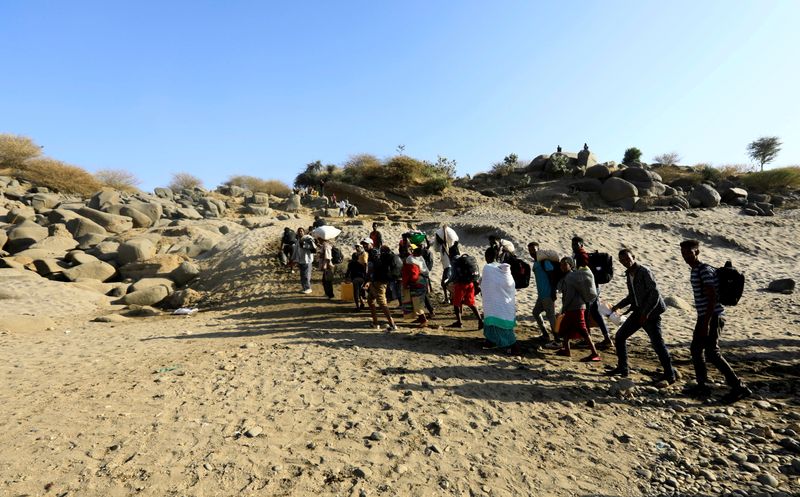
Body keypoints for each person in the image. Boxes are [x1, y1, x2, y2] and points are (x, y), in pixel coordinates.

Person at [680, 240, 751, 403]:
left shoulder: (704, 270)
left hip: (712, 316)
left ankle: (739, 387)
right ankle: (702, 386)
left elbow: (712, 297)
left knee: (712, 352)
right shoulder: (696, 270)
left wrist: (705, 322)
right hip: (705, 316)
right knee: (696, 349)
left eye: (689, 252)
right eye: (683, 253)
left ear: (697, 252)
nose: (685, 256)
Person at [606, 249, 676, 383]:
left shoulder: (644, 272)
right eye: (622, 260)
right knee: (620, 337)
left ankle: (670, 374)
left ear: (633, 257)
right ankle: (623, 368)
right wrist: (618, 306)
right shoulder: (629, 274)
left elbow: (654, 294)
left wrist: (646, 314)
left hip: (651, 314)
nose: (626, 262)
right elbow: (632, 296)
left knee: (658, 344)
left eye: (627, 258)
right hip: (638, 312)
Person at [556, 256, 601, 361]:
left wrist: (564, 308)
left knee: (583, 330)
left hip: (575, 308)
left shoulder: (570, 277)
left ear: (570, 265)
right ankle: (566, 350)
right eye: (561, 264)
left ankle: (595, 353)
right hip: (576, 307)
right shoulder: (572, 276)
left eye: (564, 264)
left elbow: (569, 295)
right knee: (566, 328)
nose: (562, 267)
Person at [572, 236, 613, 349]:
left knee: (586, 313)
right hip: (593, 287)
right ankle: (607, 338)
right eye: (573, 244)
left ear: (581, 245)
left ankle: (587, 338)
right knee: (595, 312)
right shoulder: (580, 255)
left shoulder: (582, 256)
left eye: (576, 244)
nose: (574, 246)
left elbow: (584, 273)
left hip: (589, 289)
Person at [481, 246, 518, 352]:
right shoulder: (501, 269)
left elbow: (486, 284)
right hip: (505, 301)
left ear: (487, 256)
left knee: (499, 324)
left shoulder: (488, 268)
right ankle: (490, 341)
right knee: (494, 322)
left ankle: (513, 347)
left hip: (495, 302)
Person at [447, 244, 483, 329]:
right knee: (471, 303)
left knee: (456, 303)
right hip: (470, 283)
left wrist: (448, 282)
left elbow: (454, 275)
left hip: (460, 285)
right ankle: (480, 320)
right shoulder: (465, 259)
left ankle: (459, 322)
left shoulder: (455, 261)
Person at [528, 242, 558, 342]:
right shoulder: (536, 263)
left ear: (538, 250)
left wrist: (553, 292)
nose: (532, 252)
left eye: (534, 250)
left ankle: (557, 340)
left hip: (548, 294)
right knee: (536, 312)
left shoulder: (544, 262)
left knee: (551, 317)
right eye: (530, 250)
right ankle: (545, 334)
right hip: (541, 296)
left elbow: (552, 277)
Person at [365, 245, 398, 332]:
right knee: (370, 300)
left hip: (379, 283)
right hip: (377, 283)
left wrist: (368, 280)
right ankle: (375, 323)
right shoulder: (384, 259)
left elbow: (372, 271)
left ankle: (392, 324)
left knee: (382, 304)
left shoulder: (378, 260)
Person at [401, 244, 430, 327]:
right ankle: (421, 318)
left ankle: (423, 320)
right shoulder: (421, 258)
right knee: (420, 301)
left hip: (416, 281)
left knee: (416, 302)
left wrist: (406, 283)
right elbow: (426, 271)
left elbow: (410, 273)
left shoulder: (410, 259)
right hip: (424, 280)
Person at [292, 228, 316, 294]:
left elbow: (313, 247)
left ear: (304, 232)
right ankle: (305, 288)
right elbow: (295, 250)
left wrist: (304, 245)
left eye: (301, 231)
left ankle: (308, 288)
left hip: (307, 260)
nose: (300, 232)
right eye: (299, 231)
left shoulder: (308, 238)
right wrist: (293, 259)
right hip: (301, 260)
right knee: (303, 275)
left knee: (306, 275)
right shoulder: (298, 240)